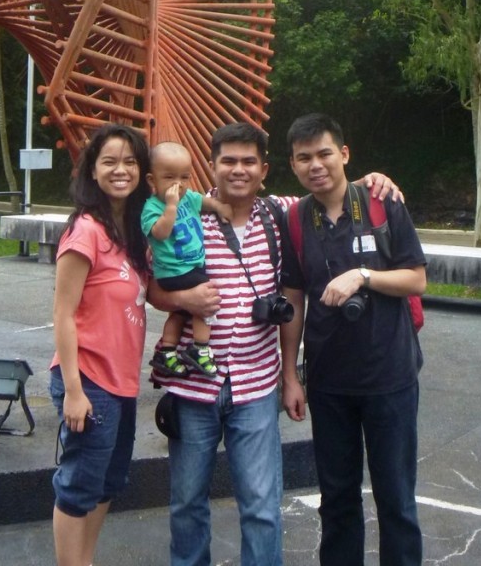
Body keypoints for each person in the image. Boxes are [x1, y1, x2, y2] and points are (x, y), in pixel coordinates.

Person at [148, 121, 401, 566]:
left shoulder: (281, 214)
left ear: (264, 170)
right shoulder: (186, 212)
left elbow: (329, 188)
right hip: (194, 385)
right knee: (187, 504)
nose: (238, 170)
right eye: (228, 161)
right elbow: (151, 288)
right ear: (212, 166)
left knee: (263, 508)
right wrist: (185, 298)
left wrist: (370, 181)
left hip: (256, 386)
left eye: (248, 162)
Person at [280, 113, 427, 566]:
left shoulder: (383, 202)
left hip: (390, 376)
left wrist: (362, 276)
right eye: (304, 158)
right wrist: (291, 375)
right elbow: (294, 298)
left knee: (396, 500)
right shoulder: (296, 218)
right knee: (337, 500)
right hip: (329, 383)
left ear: (344, 154)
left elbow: (416, 279)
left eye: (324, 153)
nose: (315, 165)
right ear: (293, 165)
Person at [49, 123, 151, 566]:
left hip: (122, 381)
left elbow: (189, 200)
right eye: (109, 161)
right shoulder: (86, 230)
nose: (121, 170)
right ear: (92, 170)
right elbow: (63, 313)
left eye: (130, 161)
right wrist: (73, 390)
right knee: (79, 484)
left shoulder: (131, 233)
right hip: (88, 379)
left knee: (109, 481)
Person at [141, 140, 233, 378]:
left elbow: (205, 202)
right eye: (169, 178)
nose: (178, 185)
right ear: (152, 181)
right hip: (175, 271)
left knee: (180, 313)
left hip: (189, 267)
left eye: (184, 177)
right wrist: (170, 207)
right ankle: (200, 349)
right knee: (206, 302)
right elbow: (160, 233)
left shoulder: (188, 197)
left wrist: (219, 208)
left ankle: (168, 351)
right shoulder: (152, 207)